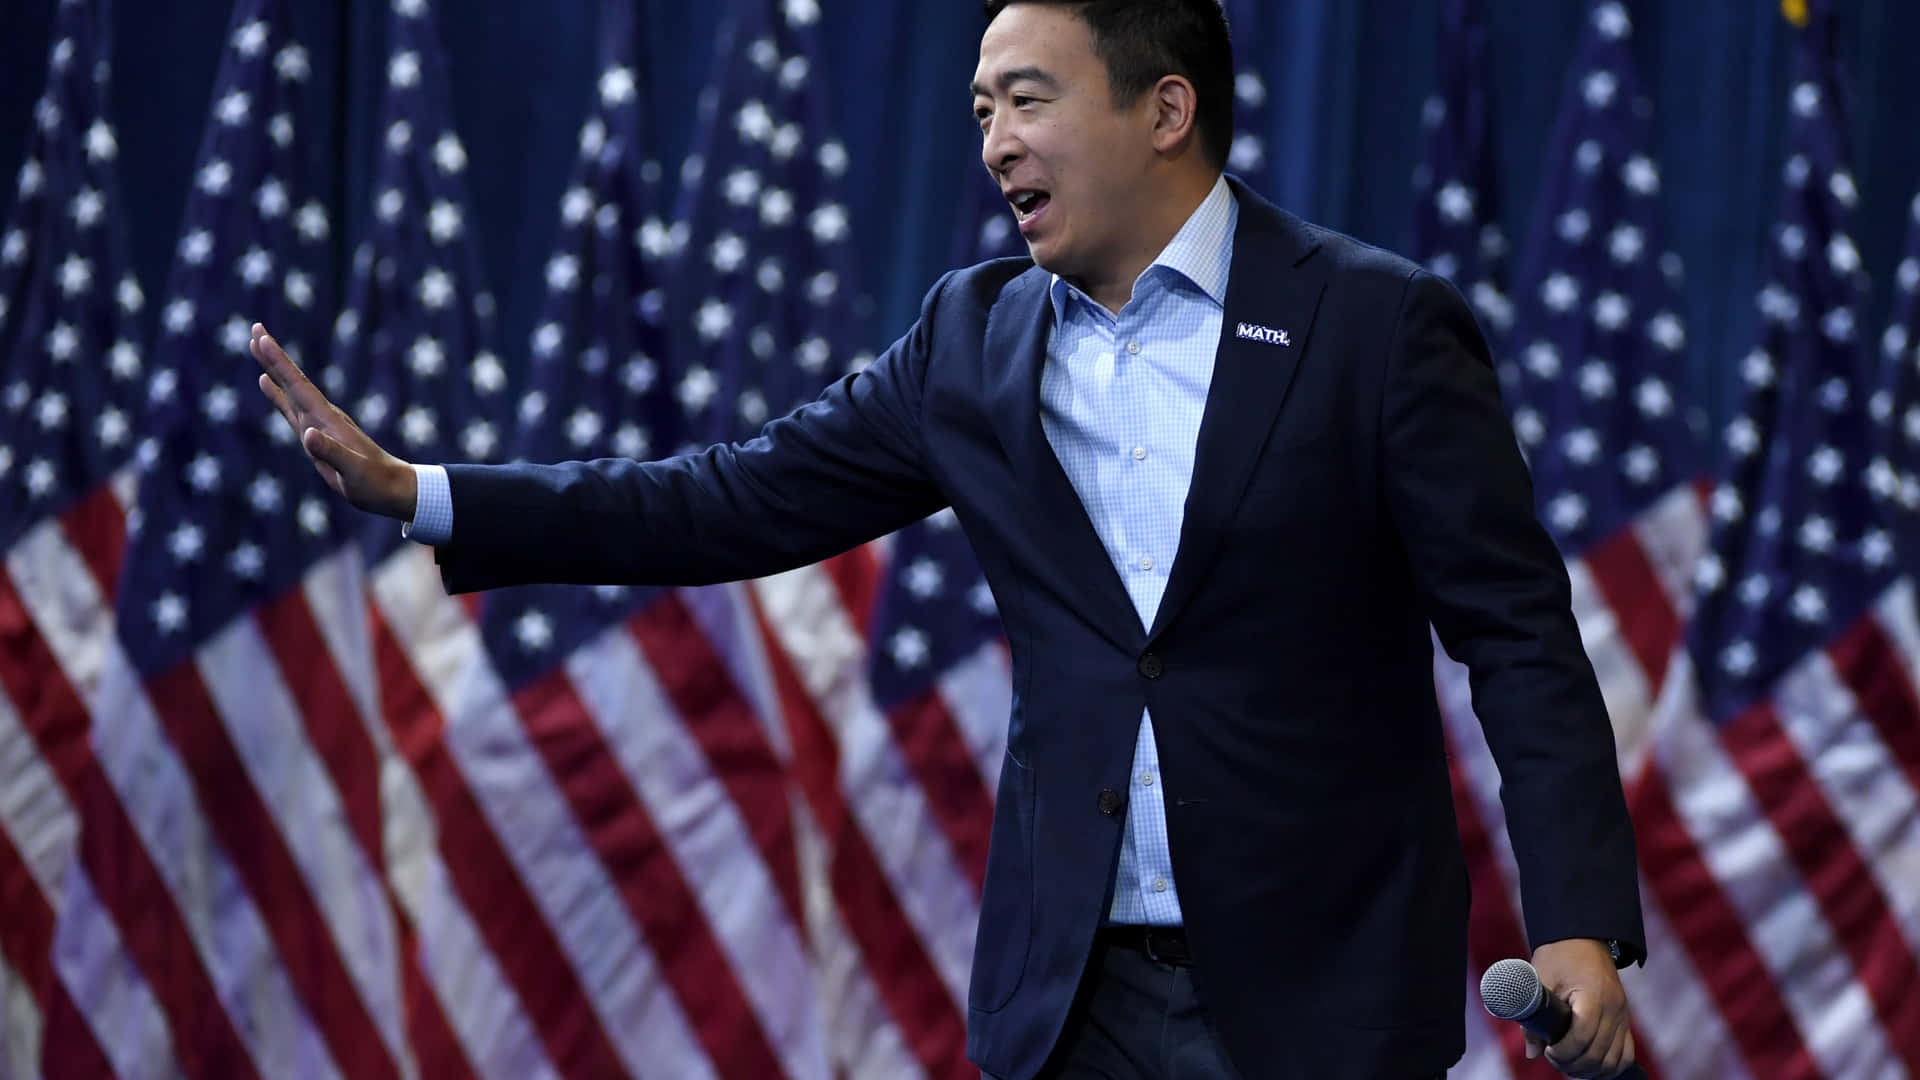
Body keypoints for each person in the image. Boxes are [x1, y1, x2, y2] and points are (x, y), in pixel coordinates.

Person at [254, 1, 1644, 1076]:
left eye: (1027, 100)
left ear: (1166, 110)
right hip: (1067, 998)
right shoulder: (970, 343)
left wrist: (1577, 920)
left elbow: (1517, 637)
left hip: (1322, 988)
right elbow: (729, 496)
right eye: (981, 108)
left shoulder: (1373, 324)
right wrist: (426, 491)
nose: (992, 143)